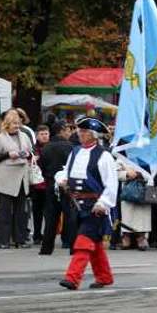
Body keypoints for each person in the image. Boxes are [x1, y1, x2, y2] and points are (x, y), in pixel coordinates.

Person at [57, 117, 118, 290]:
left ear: (94, 135)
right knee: (94, 243)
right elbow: (65, 171)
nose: (81, 134)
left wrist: (103, 203)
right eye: (80, 131)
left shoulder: (104, 156)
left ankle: (72, 278)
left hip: (95, 206)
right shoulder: (75, 151)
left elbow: (112, 183)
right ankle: (104, 277)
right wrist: (61, 179)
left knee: (83, 242)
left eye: (85, 132)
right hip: (76, 204)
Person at [0, 112, 34, 249]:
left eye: (18, 123)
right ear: (7, 124)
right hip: (6, 178)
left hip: (22, 178)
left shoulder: (24, 136)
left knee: (21, 212)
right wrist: (8, 154)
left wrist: (28, 154)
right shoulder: (0, 138)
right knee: (4, 211)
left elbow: (31, 152)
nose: (17, 126)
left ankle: (20, 239)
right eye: (14, 123)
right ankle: (4, 240)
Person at [38, 121, 75, 255]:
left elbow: (40, 166)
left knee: (51, 217)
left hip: (50, 183)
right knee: (70, 216)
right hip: (67, 185)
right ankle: (72, 245)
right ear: (62, 130)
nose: (70, 133)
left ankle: (46, 248)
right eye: (68, 130)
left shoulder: (46, 148)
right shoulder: (71, 147)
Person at [116, 161, 151, 251]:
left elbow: (153, 171)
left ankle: (141, 238)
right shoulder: (122, 157)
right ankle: (126, 237)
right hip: (128, 190)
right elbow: (115, 172)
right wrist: (127, 173)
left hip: (144, 188)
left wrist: (141, 174)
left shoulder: (147, 157)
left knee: (143, 215)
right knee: (127, 215)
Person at [30, 125, 50, 245]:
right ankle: (37, 234)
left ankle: (47, 234)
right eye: (42, 134)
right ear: (37, 136)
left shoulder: (51, 147)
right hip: (37, 185)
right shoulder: (33, 149)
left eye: (46, 134)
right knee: (37, 212)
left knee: (49, 212)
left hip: (48, 183)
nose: (44, 136)